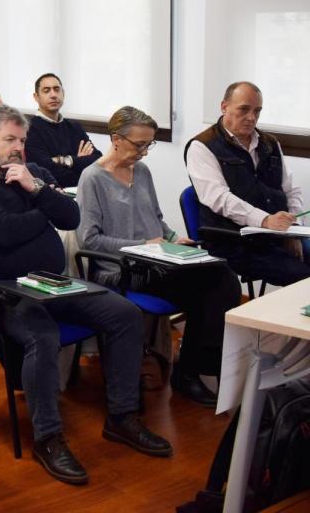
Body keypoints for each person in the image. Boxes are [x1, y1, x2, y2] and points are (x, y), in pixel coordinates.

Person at [0, 104, 171, 485]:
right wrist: (43, 209)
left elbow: (71, 217)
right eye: (9, 139)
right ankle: (48, 438)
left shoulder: (33, 174)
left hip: (52, 282)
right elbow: (5, 232)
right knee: (43, 336)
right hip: (3, 292)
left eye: (22, 140)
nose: (18, 148)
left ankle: (122, 417)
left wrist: (35, 189)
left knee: (124, 314)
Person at [77, 106, 241, 406]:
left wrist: (172, 238)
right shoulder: (92, 178)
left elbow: (156, 218)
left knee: (224, 278)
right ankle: (188, 373)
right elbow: (89, 240)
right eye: (139, 144)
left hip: (156, 260)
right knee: (209, 288)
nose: (144, 152)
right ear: (116, 138)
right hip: (122, 269)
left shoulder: (142, 172)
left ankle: (192, 369)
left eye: (148, 144)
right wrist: (143, 245)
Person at [185, 81, 308, 286]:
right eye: (244, 109)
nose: (252, 117)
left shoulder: (269, 143)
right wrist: (265, 220)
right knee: (303, 278)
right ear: (224, 107)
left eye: (257, 111)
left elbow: (291, 191)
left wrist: (293, 230)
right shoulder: (201, 146)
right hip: (235, 242)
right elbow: (219, 198)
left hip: (275, 236)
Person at [26, 73, 101, 188]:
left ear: (63, 94)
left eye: (57, 90)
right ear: (36, 97)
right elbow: (46, 170)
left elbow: (97, 159)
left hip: (83, 190)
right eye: (46, 90)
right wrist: (80, 161)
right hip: (55, 193)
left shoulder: (75, 127)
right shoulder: (30, 129)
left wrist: (67, 160)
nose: (53, 95)